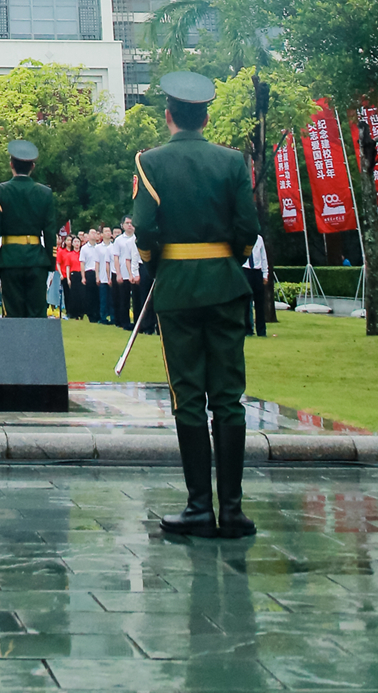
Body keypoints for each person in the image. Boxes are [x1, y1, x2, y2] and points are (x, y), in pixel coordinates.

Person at [132, 70, 260, 541]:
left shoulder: (151, 162)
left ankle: (198, 507)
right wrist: (229, 261)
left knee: (188, 397)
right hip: (226, 287)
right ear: (205, 117)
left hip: (179, 290)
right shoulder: (232, 162)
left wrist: (157, 263)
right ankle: (233, 511)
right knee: (228, 397)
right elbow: (248, 227)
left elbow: (145, 231)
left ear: (169, 116)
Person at [0, 139, 55, 318]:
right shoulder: (45, 193)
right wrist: (51, 264)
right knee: (37, 315)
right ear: (32, 166)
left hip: (9, 260)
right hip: (37, 260)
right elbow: (49, 232)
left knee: (13, 317)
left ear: (11, 165)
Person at [243, 231, 270, 338]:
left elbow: (264, 257)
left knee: (260, 303)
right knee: (245, 302)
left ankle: (261, 330)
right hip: (245, 269)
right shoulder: (243, 238)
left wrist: (265, 273)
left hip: (257, 271)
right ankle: (248, 329)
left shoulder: (259, 239)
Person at [80, 229, 99, 322]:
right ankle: (91, 315)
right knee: (90, 295)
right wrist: (83, 277)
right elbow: (82, 263)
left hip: (98, 272)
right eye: (92, 233)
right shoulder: (84, 248)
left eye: (95, 233)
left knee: (97, 294)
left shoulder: (98, 247)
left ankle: (97, 314)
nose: (94, 234)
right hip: (89, 272)